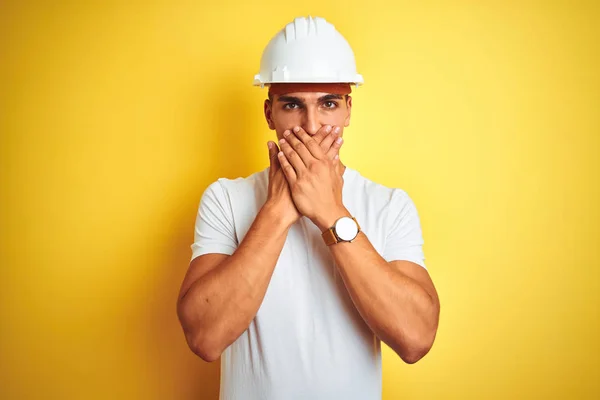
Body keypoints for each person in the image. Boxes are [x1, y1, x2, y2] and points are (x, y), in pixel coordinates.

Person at [177, 16, 440, 400]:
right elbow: (204, 337)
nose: (312, 125)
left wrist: (331, 214)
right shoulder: (225, 199)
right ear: (269, 113)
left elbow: (416, 339)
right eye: (292, 105)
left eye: (328, 104)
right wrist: (278, 210)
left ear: (348, 110)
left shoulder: (389, 205)